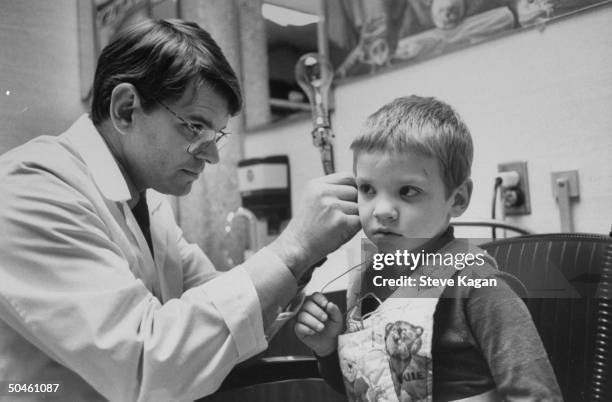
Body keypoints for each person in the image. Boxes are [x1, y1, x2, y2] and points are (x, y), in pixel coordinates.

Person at [0, 19, 360, 401]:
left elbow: (217, 313)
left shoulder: (147, 201)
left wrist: (301, 264)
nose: (212, 154)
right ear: (125, 109)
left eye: (215, 134)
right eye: (195, 127)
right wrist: (292, 249)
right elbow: (145, 362)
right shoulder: (30, 189)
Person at [295, 96, 562, 401]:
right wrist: (327, 349)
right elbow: (364, 388)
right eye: (368, 189)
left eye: (408, 191)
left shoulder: (475, 286)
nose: (382, 210)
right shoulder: (363, 284)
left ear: (458, 199)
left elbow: (538, 394)